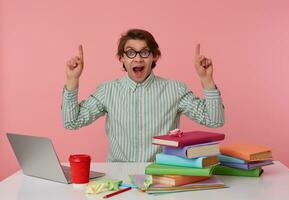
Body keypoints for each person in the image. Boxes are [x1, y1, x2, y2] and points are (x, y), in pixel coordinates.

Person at [62, 29, 224, 162]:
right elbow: (71, 122)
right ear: (122, 58)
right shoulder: (107, 90)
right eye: (131, 53)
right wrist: (72, 79)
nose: (138, 59)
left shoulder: (175, 89)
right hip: (119, 177)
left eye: (145, 52)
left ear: (154, 56)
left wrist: (206, 80)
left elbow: (214, 120)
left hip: (161, 175)